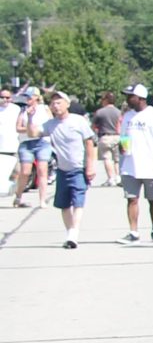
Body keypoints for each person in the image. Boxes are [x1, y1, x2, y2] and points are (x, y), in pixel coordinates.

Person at [116, 84, 153, 243]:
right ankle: (133, 232)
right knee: (132, 199)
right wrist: (123, 147)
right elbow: (124, 137)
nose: (127, 99)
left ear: (140, 98)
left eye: (130, 96)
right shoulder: (127, 116)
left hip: (151, 165)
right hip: (130, 165)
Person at [41, 90, 96, 247]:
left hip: (78, 167)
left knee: (78, 201)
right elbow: (34, 132)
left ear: (67, 104)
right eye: (53, 103)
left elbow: (90, 143)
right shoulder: (50, 124)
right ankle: (70, 234)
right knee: (64, 204)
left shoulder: (78, 121)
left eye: (59, 102)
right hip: (62, 169)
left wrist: (90, 166)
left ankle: (74, 233)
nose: (55, 106)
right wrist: (30, 116)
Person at [13, 86, 48, 207]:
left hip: (42, 142)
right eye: (26, 96)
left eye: (30, 96)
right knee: (25, 171)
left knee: (42, 170)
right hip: (26, 143)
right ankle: (18, 195)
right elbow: (18, 128)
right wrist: (29, 128)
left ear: (37, 97)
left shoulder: (44, 109)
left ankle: (42, 200)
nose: (27, 99)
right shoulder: (23, 111)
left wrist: (38, 130)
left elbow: (50, 125)